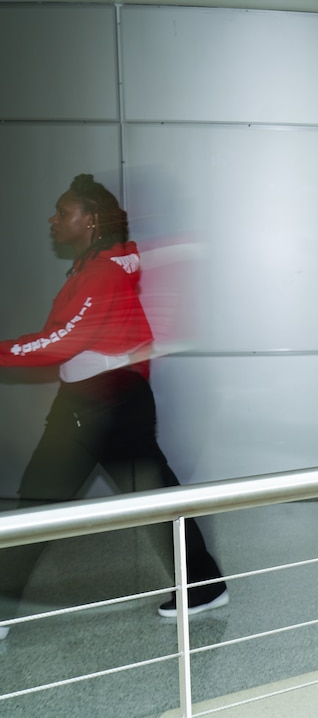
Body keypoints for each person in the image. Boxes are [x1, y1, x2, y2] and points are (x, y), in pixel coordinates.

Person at [0, 174, 227, 639]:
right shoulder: (102, 265)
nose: (54, 219)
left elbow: (56, 341)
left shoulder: (100, 273)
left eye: (64, 212)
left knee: (42, 501)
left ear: (91, 221)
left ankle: (204, 586)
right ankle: (204, 585)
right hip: (104, 398)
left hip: (102, 402)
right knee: (148, 496)